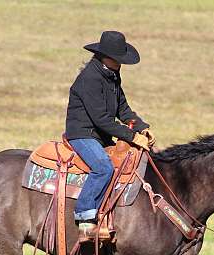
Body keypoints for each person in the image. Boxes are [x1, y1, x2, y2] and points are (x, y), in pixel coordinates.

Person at [65, 30, 155, 239]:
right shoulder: (90, 78)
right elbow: (102, 119)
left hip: (99, 134)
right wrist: (132, 137)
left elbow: (122, 109)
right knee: (103, 167)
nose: (121, 63)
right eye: (118, 59)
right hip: (83, 134)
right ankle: (85, 217)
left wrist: (141, 127)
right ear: (107, 57)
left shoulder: (112, 75)